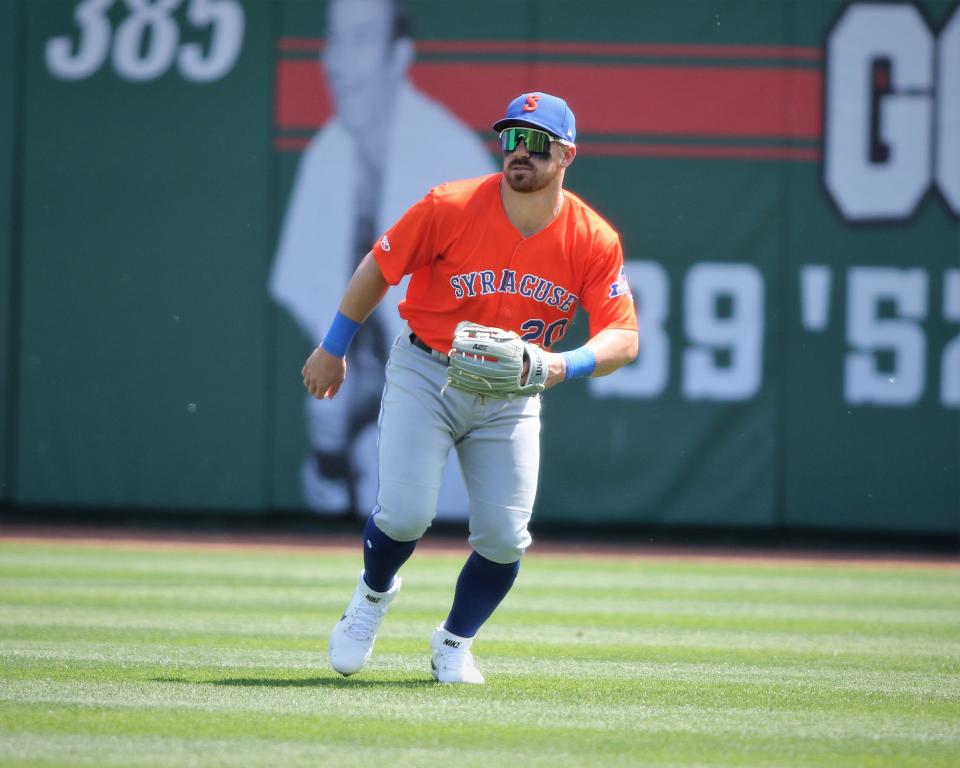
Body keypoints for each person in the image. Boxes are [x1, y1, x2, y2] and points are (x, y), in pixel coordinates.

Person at [302, 91, 639, 684]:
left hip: (513, 394)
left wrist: (564, 365)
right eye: (512, 137)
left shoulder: (592, 237)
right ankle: (372, 598)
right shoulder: (450, 206)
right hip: (428, 371)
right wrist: (334, 346)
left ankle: (454, 642)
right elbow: (378, 269)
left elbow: (623, 337)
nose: (520, 153)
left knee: (506, 538)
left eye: (537, 143)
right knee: (405, 514)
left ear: (567, 155)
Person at [270, 0, 493, 517]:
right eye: (333, 40)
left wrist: (366, 395)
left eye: (360, 40)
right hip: (358, 447)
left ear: (398, 56)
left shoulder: (452, 162)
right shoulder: (325, 156)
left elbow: (470, 336)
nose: (339, 62)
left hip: (452, 420)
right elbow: (309, 316)